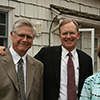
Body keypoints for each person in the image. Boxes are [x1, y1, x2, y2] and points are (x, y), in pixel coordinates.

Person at [0, 19, 93, 100]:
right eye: (65, 33)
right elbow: (20, 59)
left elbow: (89, 89)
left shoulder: (86, 60)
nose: (68, 37)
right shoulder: (46, 54)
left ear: (78, 35)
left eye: (72, 33)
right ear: (60, 36)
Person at [0, 19, 43, 100]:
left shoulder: (38, 66)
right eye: (21, 35)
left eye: (29, 37)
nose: (25, 40)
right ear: (12, 35)